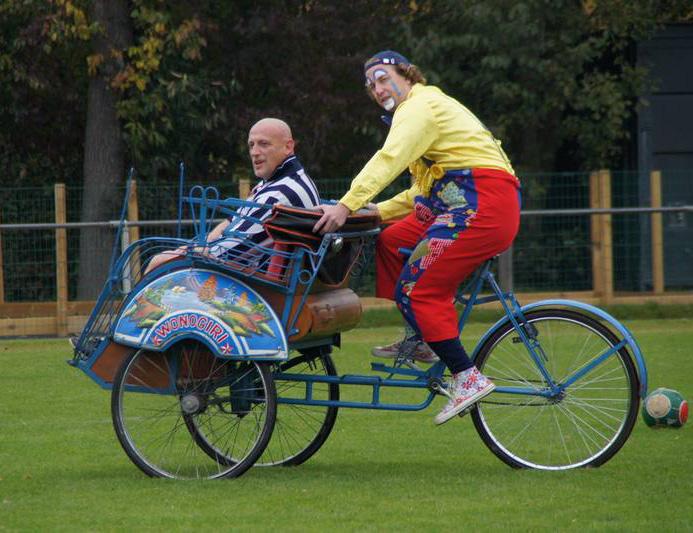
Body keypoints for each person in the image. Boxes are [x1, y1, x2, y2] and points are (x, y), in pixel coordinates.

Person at [313, 51, 521, 425]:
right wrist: (375, 210)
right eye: (370, 85)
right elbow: (418, 193)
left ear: (407, 75)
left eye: (382, 78)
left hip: (481, 205)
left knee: (418, 288)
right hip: (460, 202)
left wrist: (346, 205)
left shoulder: (418, 107)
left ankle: (467, 376)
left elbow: (388, 158)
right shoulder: (424, 109)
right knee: (391, 241)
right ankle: (421, 338)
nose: (377, 89)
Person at [145, 118, 319, 273]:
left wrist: (182, 253)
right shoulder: (279, 181)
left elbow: (228, 253)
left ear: (288, 146)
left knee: (159, 261)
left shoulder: (280, 193)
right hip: (256, 277)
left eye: (264, 144)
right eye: (251, 145)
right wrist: (192, 247)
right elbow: (232, 222)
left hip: (257, 287)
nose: (254, 152)